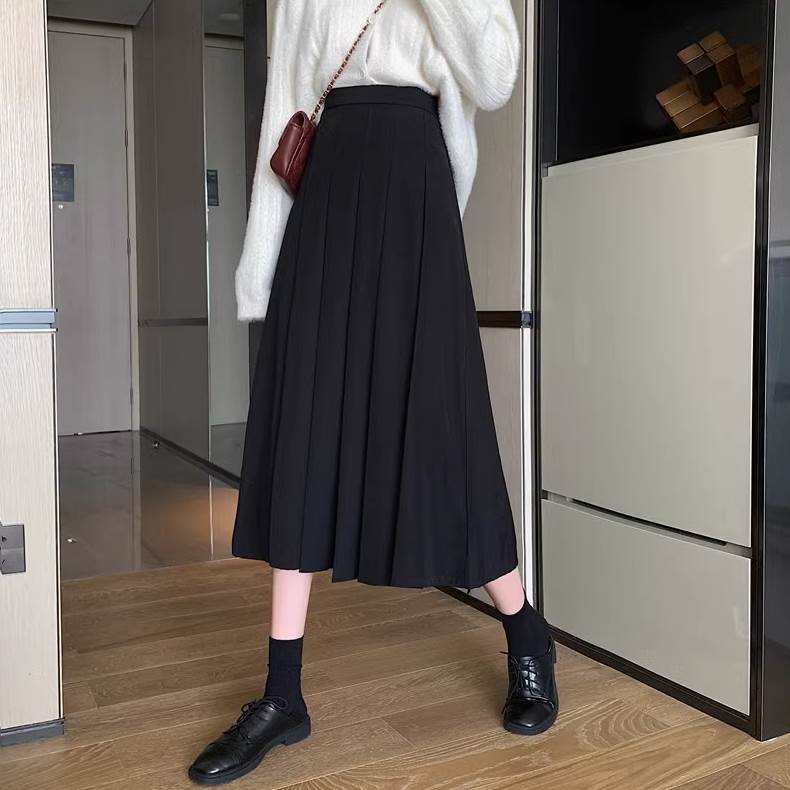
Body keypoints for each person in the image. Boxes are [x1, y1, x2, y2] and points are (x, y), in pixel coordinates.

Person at [189, 0, 557, 784]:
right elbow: (285, 109)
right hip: (325, 199)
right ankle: (281, 695)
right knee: (304, 430)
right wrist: (261, 266)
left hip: (415, 192)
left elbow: (495, 78)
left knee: (444, 427)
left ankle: (526, 632)